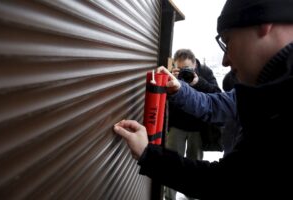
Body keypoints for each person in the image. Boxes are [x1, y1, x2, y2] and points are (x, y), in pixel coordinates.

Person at [114, 0, 293, 198]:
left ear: (264, 21)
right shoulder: (263, 96)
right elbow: (229, 179)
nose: (225, 61)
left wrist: (149, 156)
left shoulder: (268, 100)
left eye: (227, 40)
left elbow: (222, 182)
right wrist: (179, 89)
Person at [166, 49, 221, 200]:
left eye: (187, 69)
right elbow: (164, 98)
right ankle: (169, 197)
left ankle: (191, 196)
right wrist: (170, 80)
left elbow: (217, 93)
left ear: (195, 64)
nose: (184, 72)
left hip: (197, 127)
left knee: (195, 164)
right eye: (180, 69)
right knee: (171, 163)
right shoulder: (172, 73)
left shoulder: (205, 72)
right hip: (177, 125)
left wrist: (198, 81)